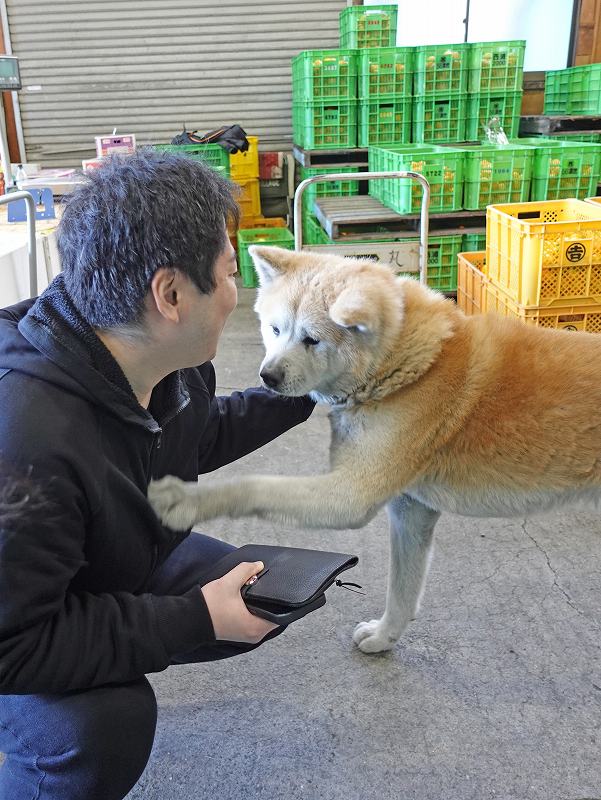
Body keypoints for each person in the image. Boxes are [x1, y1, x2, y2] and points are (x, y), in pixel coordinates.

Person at [0, 149, 315, 800]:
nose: (236, 293)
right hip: (14, 623)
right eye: (229, 273)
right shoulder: (28, 444)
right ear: (170, 294)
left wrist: (316, 388)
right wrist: (193, 620)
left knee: (265, 592)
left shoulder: (164, 358)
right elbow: (11, 645)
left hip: (100, 557)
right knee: (105, 726)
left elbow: (197, 432)